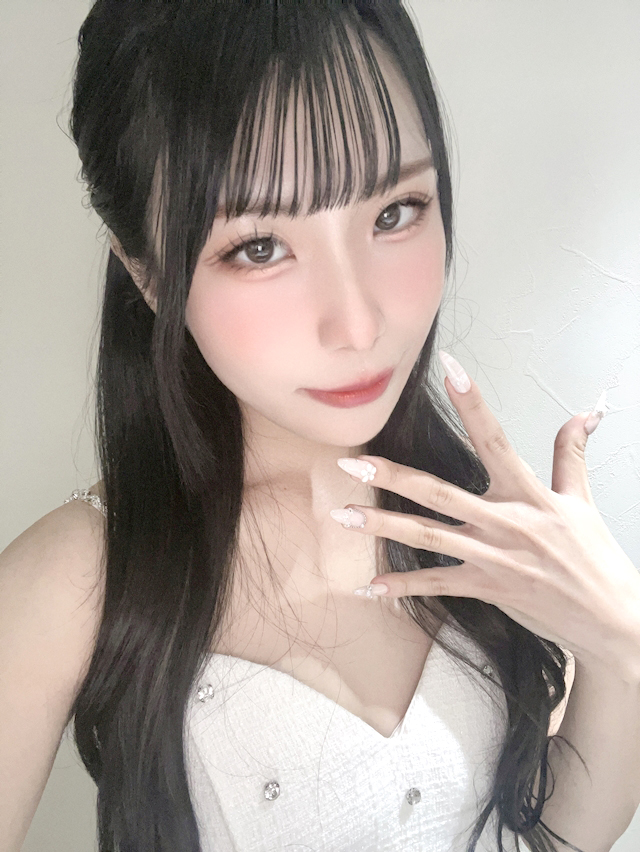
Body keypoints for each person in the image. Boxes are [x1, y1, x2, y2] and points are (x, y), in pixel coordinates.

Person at [1, 2, 639, 851]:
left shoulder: (465, 508)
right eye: (259, 247)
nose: (358, 324)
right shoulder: (81, 575)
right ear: (148, 277)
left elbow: (546, 836)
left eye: (394, 211)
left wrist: (623, 646)